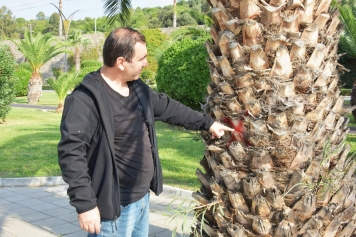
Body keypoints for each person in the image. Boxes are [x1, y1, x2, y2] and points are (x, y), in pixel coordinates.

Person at [57, 27, 233, 237]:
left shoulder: (137, 88)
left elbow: (169, 108)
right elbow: (71, 153)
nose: (146, 63)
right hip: (113, 208)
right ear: (121, 62)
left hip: (141, 200)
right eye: (141, 58)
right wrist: (85, 205)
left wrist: (208, 123)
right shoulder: (85, 100)